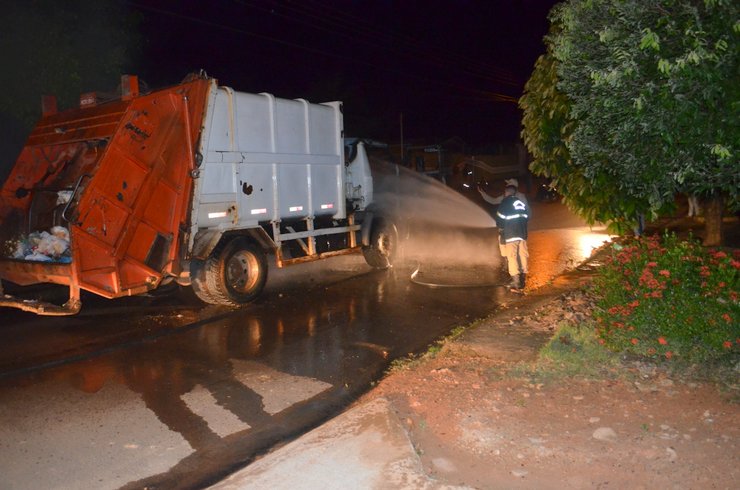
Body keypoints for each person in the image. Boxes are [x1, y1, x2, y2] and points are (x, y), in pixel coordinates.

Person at [479, 178, 530, 272]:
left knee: (512, 252)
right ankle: (521, 272)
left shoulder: (508, 199)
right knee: (521, 252)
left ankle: (514, 274)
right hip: (521, 230)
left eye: (508, 184)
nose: (506, 186)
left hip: (510, 230)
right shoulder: (509, 197)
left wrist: (501, 227)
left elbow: (499, 212)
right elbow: (526, 213)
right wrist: (483, 194)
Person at [495, 184, 530, 291]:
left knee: (512, 256)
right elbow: (526, 217)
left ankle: (516, 281)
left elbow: (500, 218)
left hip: (511, 234)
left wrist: (501, 229)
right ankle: (523, 275)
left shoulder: (505, 202)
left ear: (506, 193)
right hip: (522, 234)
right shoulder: (521, 203)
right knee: (523, 254)